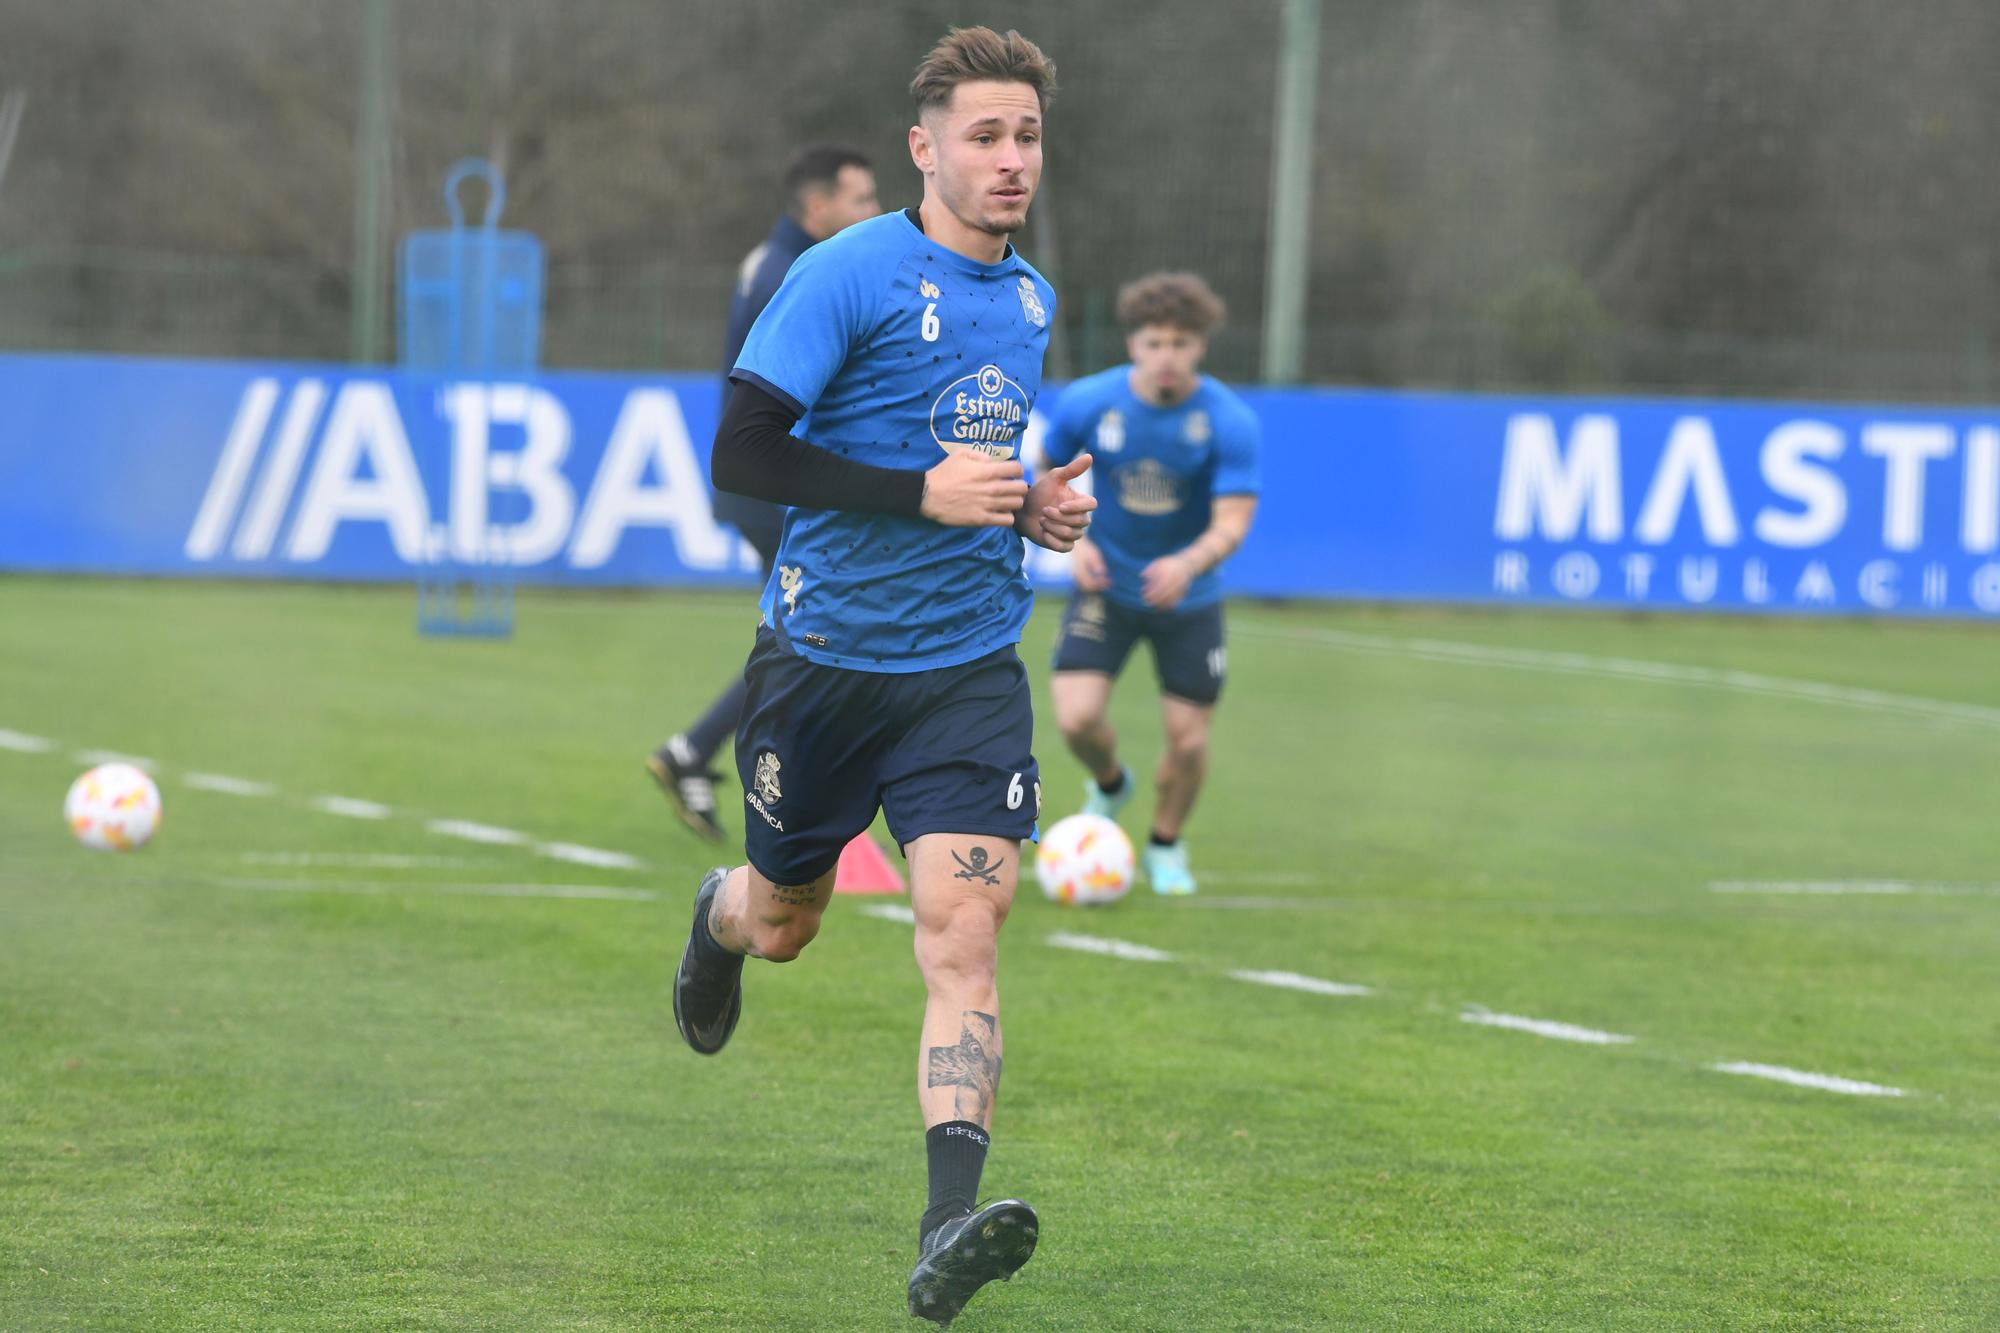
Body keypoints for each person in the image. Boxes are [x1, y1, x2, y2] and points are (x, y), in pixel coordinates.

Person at [670, 27, 1089, 1327]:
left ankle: (946, 1221)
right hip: (822, 663)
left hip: (966, 668)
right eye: (984, 135)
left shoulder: (1031, 301)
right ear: (925, 148)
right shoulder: (842, 274)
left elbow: (975, 468)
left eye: (1025, 136)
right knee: (787, 921)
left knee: (964, 935)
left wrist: (1027, 510)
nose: (1010, 159)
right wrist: (920, 493)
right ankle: (721, 911)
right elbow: (741, 450)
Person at [646, 144, 881, 842]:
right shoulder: (797, 274)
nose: (873, 212)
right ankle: (788, 788)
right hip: (778, 489)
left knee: (798, 638)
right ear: (818, 208)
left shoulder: (774, 260)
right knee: (826, 635)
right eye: (861, 200)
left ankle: (698, 754)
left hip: (765, 487)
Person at [1039, 272, 1261, 896]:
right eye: (1155, 342)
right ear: (1133, 343)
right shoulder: (1090, 401)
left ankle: (1166, 845)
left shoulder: (1228, 420)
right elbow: (1045, 470)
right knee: (1078, 721)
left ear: (1201, 348)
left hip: (1189, 599)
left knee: (1188, 742)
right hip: (1106, 584)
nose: (1168, 357)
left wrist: (1189, 563)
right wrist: (1071, 543)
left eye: (1182, 344)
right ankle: (1111, 784)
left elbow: (1234, 520)